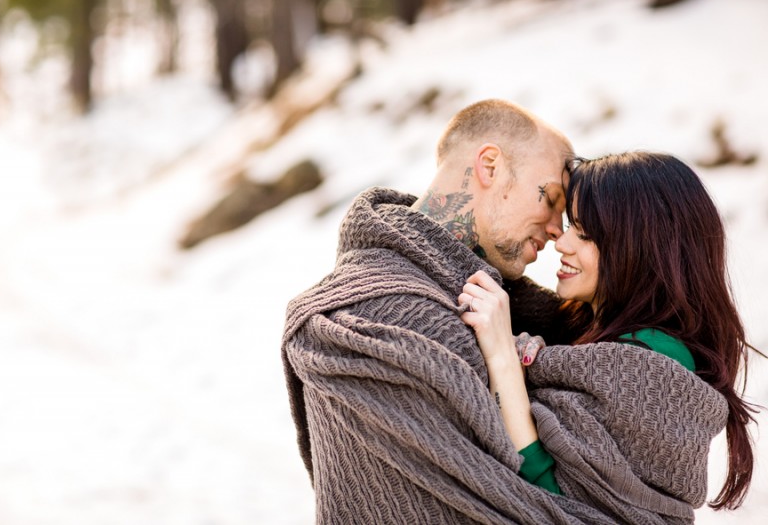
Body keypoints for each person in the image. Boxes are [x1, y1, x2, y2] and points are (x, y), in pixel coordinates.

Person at [283, 100, 679, 524]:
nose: (556, 231)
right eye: (549, 198)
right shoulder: (381, 312)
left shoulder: (519, 312)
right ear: (489, 166)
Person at [460, 152, 758, 515]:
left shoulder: (657, 360)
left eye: (585, 234)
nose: (562, 243)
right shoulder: (583, 332)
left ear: (642, 247)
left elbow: (565, 507)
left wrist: (503, 361)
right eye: (570, 225)